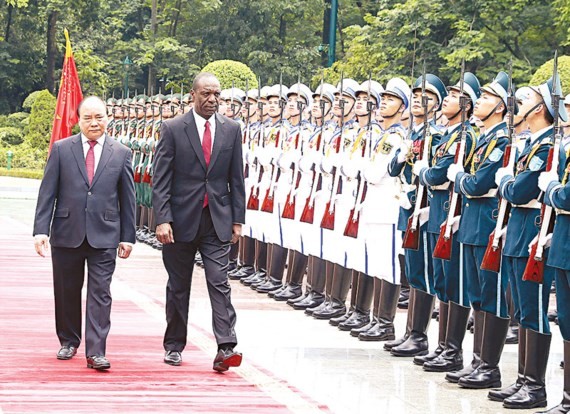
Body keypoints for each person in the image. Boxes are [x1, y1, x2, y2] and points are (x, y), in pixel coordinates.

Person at [33, 96, 136, 371]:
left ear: (107, 118)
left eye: (99, 117)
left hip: (106, 234)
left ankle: (96, 351)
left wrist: (128, 236)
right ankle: (68, 340)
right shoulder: (61, 149)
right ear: (78, 120)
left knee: (100, 292)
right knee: (67, 290)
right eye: (88, 118)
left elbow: (128, 198)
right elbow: (48, 193)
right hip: (67, 232)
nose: (94, 123)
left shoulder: (121, 152)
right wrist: (41, 230)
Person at [152, 72, 245, 372]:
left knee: (219, 282)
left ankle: (226, 346)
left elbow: (236, 178)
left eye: (217, 94)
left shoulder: (231, 129)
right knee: (179, 285)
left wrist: (238, 220)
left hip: (217, 219)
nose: (212, 100)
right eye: (206, 93)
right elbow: (161, 179)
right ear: (193, 95)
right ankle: (174, 344)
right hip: (179, 222)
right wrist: (162, 218)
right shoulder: (173, 128)